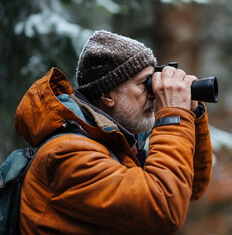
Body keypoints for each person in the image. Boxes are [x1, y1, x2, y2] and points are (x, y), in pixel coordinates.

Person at [15, 30, 213, 234]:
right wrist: (173, 116)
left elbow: (190, 187)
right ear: (107, 95)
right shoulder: (67, 154)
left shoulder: (117, 144)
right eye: (145, 84)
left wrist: (191, 113)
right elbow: (164, 207)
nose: (154, 95)